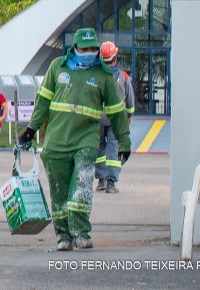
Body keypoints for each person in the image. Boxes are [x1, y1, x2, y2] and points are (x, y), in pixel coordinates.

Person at [19, 27, 131, 251]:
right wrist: (30, 130)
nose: (89, 52)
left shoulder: (103, 75)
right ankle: (63, 236)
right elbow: (42, 102)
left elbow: (117, 111)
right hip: (56, 142)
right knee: (59, 193)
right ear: (75, 48)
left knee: (81, 186)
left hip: (86, 140)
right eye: (85, 48)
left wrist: (124, 141)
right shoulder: (57, 67)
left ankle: (81, 233)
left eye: (93, 49)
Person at [95, 41, 135, 193]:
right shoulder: (123, 77)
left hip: (98, 118)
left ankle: (100, 181)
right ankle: (111, 183)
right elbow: (130, 99)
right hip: (116, 120)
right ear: (115, 58)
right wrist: (129, 115)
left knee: (99, 148)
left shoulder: (97, 76)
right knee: (113, 148)